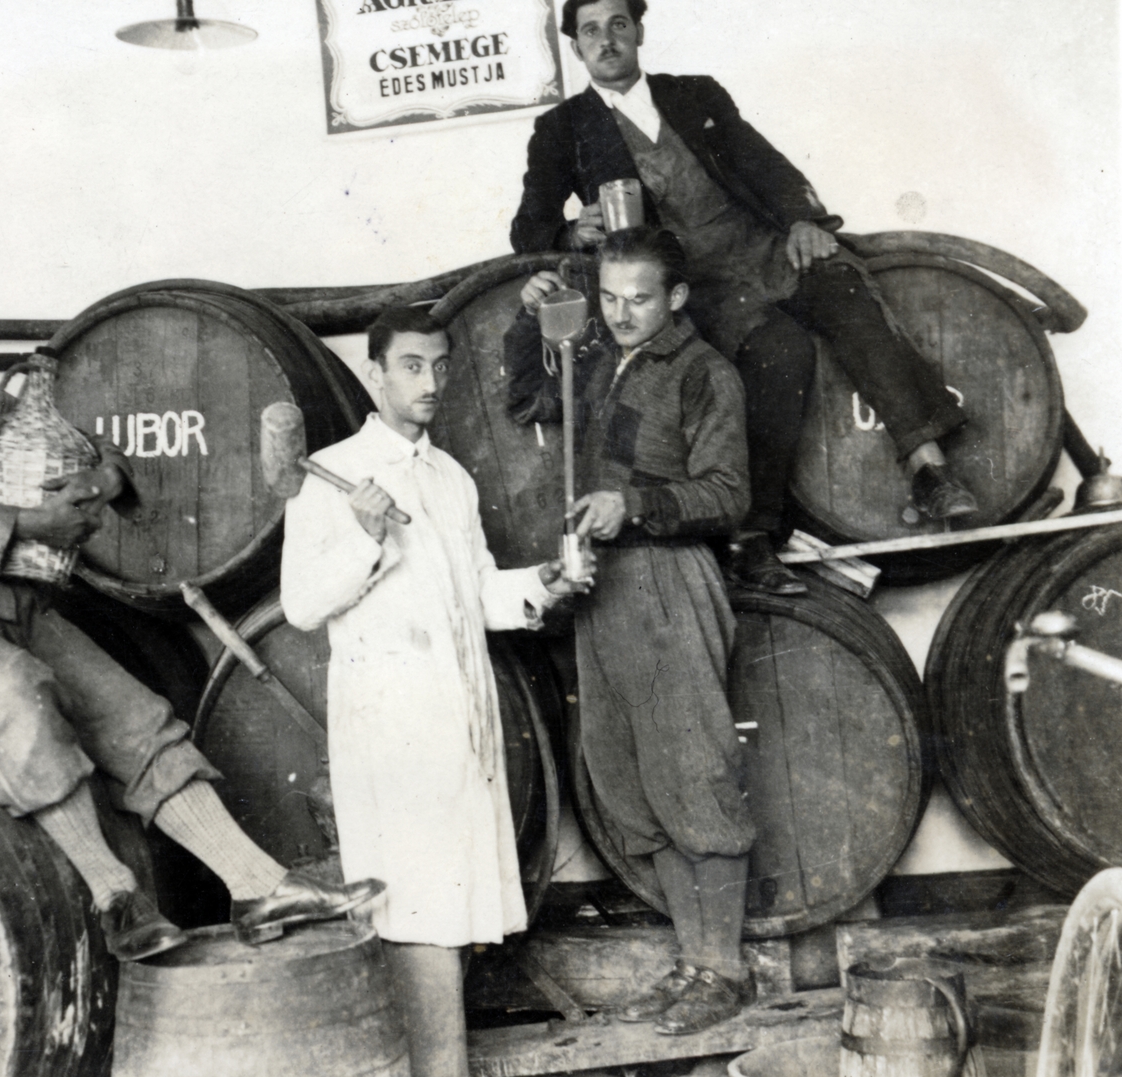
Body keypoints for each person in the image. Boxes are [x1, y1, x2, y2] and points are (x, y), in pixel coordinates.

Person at [0, 206, 382, 962]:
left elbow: (78, 450)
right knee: (16, 695)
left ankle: (258, 883)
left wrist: (101, 474)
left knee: (134, 712)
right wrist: (31, 524)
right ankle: (116, 896)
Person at [509, 0, 977, 596]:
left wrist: (804, 221)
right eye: (591, 32)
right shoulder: (562, 128)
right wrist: (573, 232)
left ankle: (929, 469)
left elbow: (765, 165)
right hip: (695, 283)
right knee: (779, 349)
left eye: (618, 26)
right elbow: (528, 228)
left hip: (760, 247)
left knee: (844, 286)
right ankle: (754, 536)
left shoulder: (696, 94)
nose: (606, 41)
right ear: (576, 47)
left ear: (639, 32)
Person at [281, 307, 583, 1076]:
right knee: (416, 908)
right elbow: (301, 605)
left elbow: (478, 592)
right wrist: (365, 536)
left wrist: (540, 583)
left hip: (460, 718)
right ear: (375, 374)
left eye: (442, 366)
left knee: (445, 911)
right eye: (412, 366)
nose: (430, 381)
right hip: (391, 731)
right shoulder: (330, 476)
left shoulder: (451, 478)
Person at [511, 227, 756, 1034]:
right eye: (609, 297)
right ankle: (691, 962)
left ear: (676, 297)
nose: (620, 313)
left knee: (695, 773)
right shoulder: (597, 359)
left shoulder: (703, 371)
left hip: (667, 576)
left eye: (639, 298)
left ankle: (723, 968)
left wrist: (637, 505)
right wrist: (527, 319)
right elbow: (525, 398)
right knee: (631, 782)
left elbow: (728, 493)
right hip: (600, 589)